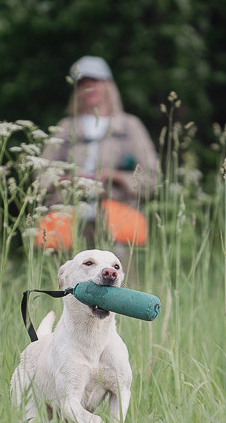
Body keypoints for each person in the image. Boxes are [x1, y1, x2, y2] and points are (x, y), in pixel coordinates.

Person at [38, 56, 159, 271]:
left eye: (95, 81)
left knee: (119, 286)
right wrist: (69, 181)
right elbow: (40, 179)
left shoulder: (130, 126)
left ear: (108, 86)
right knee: (70, 283)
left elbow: (151, 179)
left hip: (117, 221)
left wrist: (114, 177)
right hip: (69, 221)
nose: (89, 87)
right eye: (82, 83)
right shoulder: (65, 127)